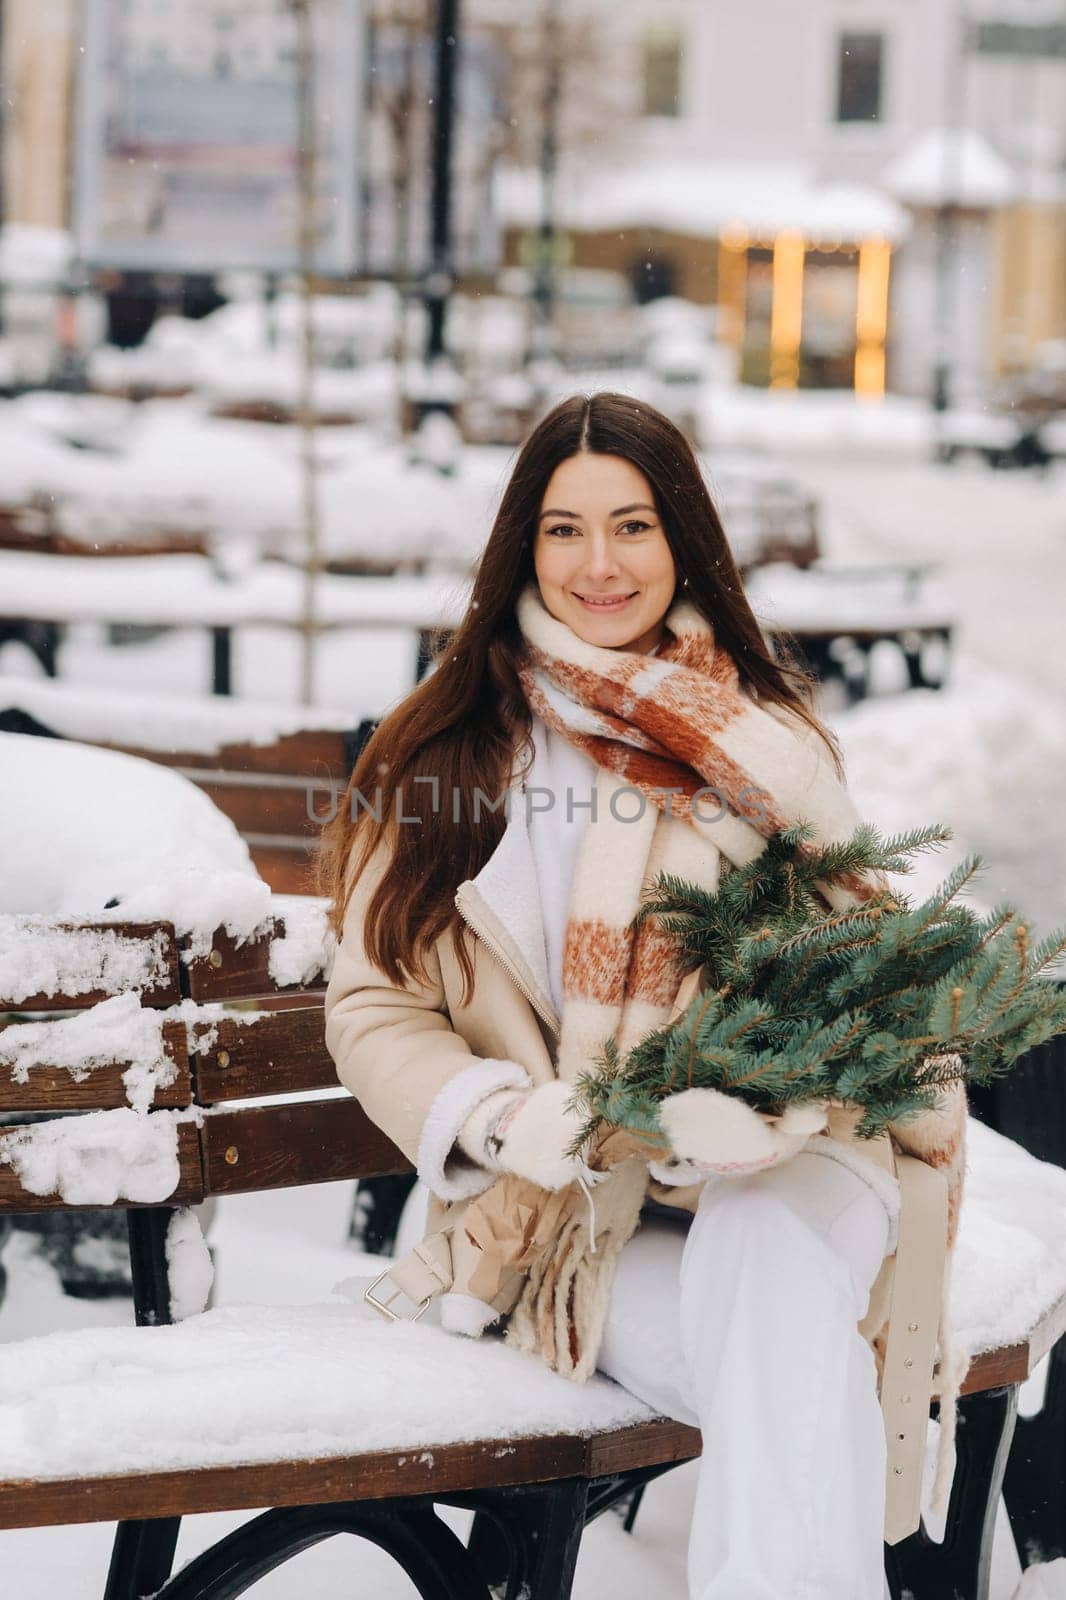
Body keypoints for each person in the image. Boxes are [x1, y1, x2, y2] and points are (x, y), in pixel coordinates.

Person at [320, 392, 969, 1600]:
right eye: (564, 530)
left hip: (789, 1166)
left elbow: (846, 972)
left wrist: (755, 1083)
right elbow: (370, 1006)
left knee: (769, 1245)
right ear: (521, 546)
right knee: (788, 1365)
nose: (600, 565)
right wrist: (503, 1113)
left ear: (683, 542)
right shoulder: (448, 752)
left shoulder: (759, 740)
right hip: (566, 1211)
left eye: (632, 525)